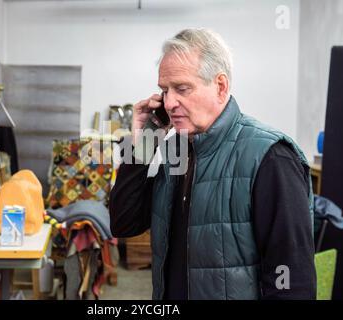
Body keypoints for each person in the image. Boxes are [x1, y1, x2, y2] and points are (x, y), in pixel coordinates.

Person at [109, 28, 316, 300]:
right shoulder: (175, 149)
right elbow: (123, 224)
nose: (169, 103)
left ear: (220, 86)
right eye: (164, 90)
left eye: (182, 89)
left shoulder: (271, 156)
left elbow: (291, 279)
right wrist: (141, 143)